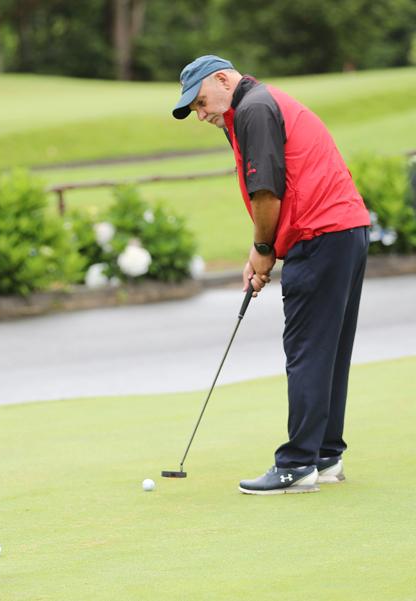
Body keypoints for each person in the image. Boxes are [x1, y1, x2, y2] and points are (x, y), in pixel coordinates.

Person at [172, 55, 370, 495]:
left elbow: (268, 191)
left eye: (201, 102)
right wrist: (261, 249)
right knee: (328, 349)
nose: (202, 114)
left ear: (224, 80)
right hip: (345, 230)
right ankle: (324, 454)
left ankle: (297, 464)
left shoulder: (253, 109)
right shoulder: (260, 104)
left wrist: (265, 249)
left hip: (321, 234)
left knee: (307, 350)